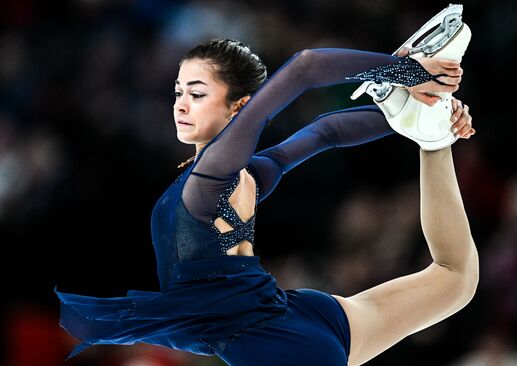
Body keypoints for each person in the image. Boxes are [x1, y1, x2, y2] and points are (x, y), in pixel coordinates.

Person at [55, 39, 478, 365]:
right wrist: (425, 119)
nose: (181, 104)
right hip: (301, 319)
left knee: (455, 279)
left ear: (239, 107)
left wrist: (404, 71)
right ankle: (435, 144)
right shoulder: (250, 176)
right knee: (455, 279)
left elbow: (307, 67)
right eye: (178, 91)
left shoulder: (210, 180)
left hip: (277, 343)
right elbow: (324, 133)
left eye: (197, 94)